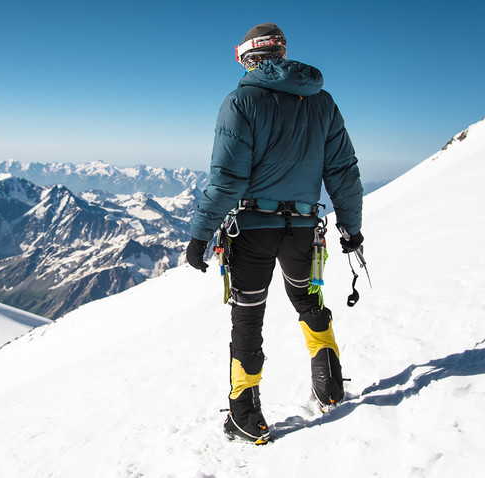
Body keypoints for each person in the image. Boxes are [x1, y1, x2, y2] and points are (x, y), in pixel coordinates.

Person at [185, 22, 364, 445]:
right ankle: (330, 385)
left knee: (248, 315)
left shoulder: (241, 101)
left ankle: (246, 413)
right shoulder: (323, 102)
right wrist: (352, 230)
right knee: (307, 297)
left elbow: (227, 179)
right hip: (303, 229)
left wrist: (200, 234)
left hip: (251, 230)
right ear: (280, 53)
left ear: (247, 57)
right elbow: (343, 172)